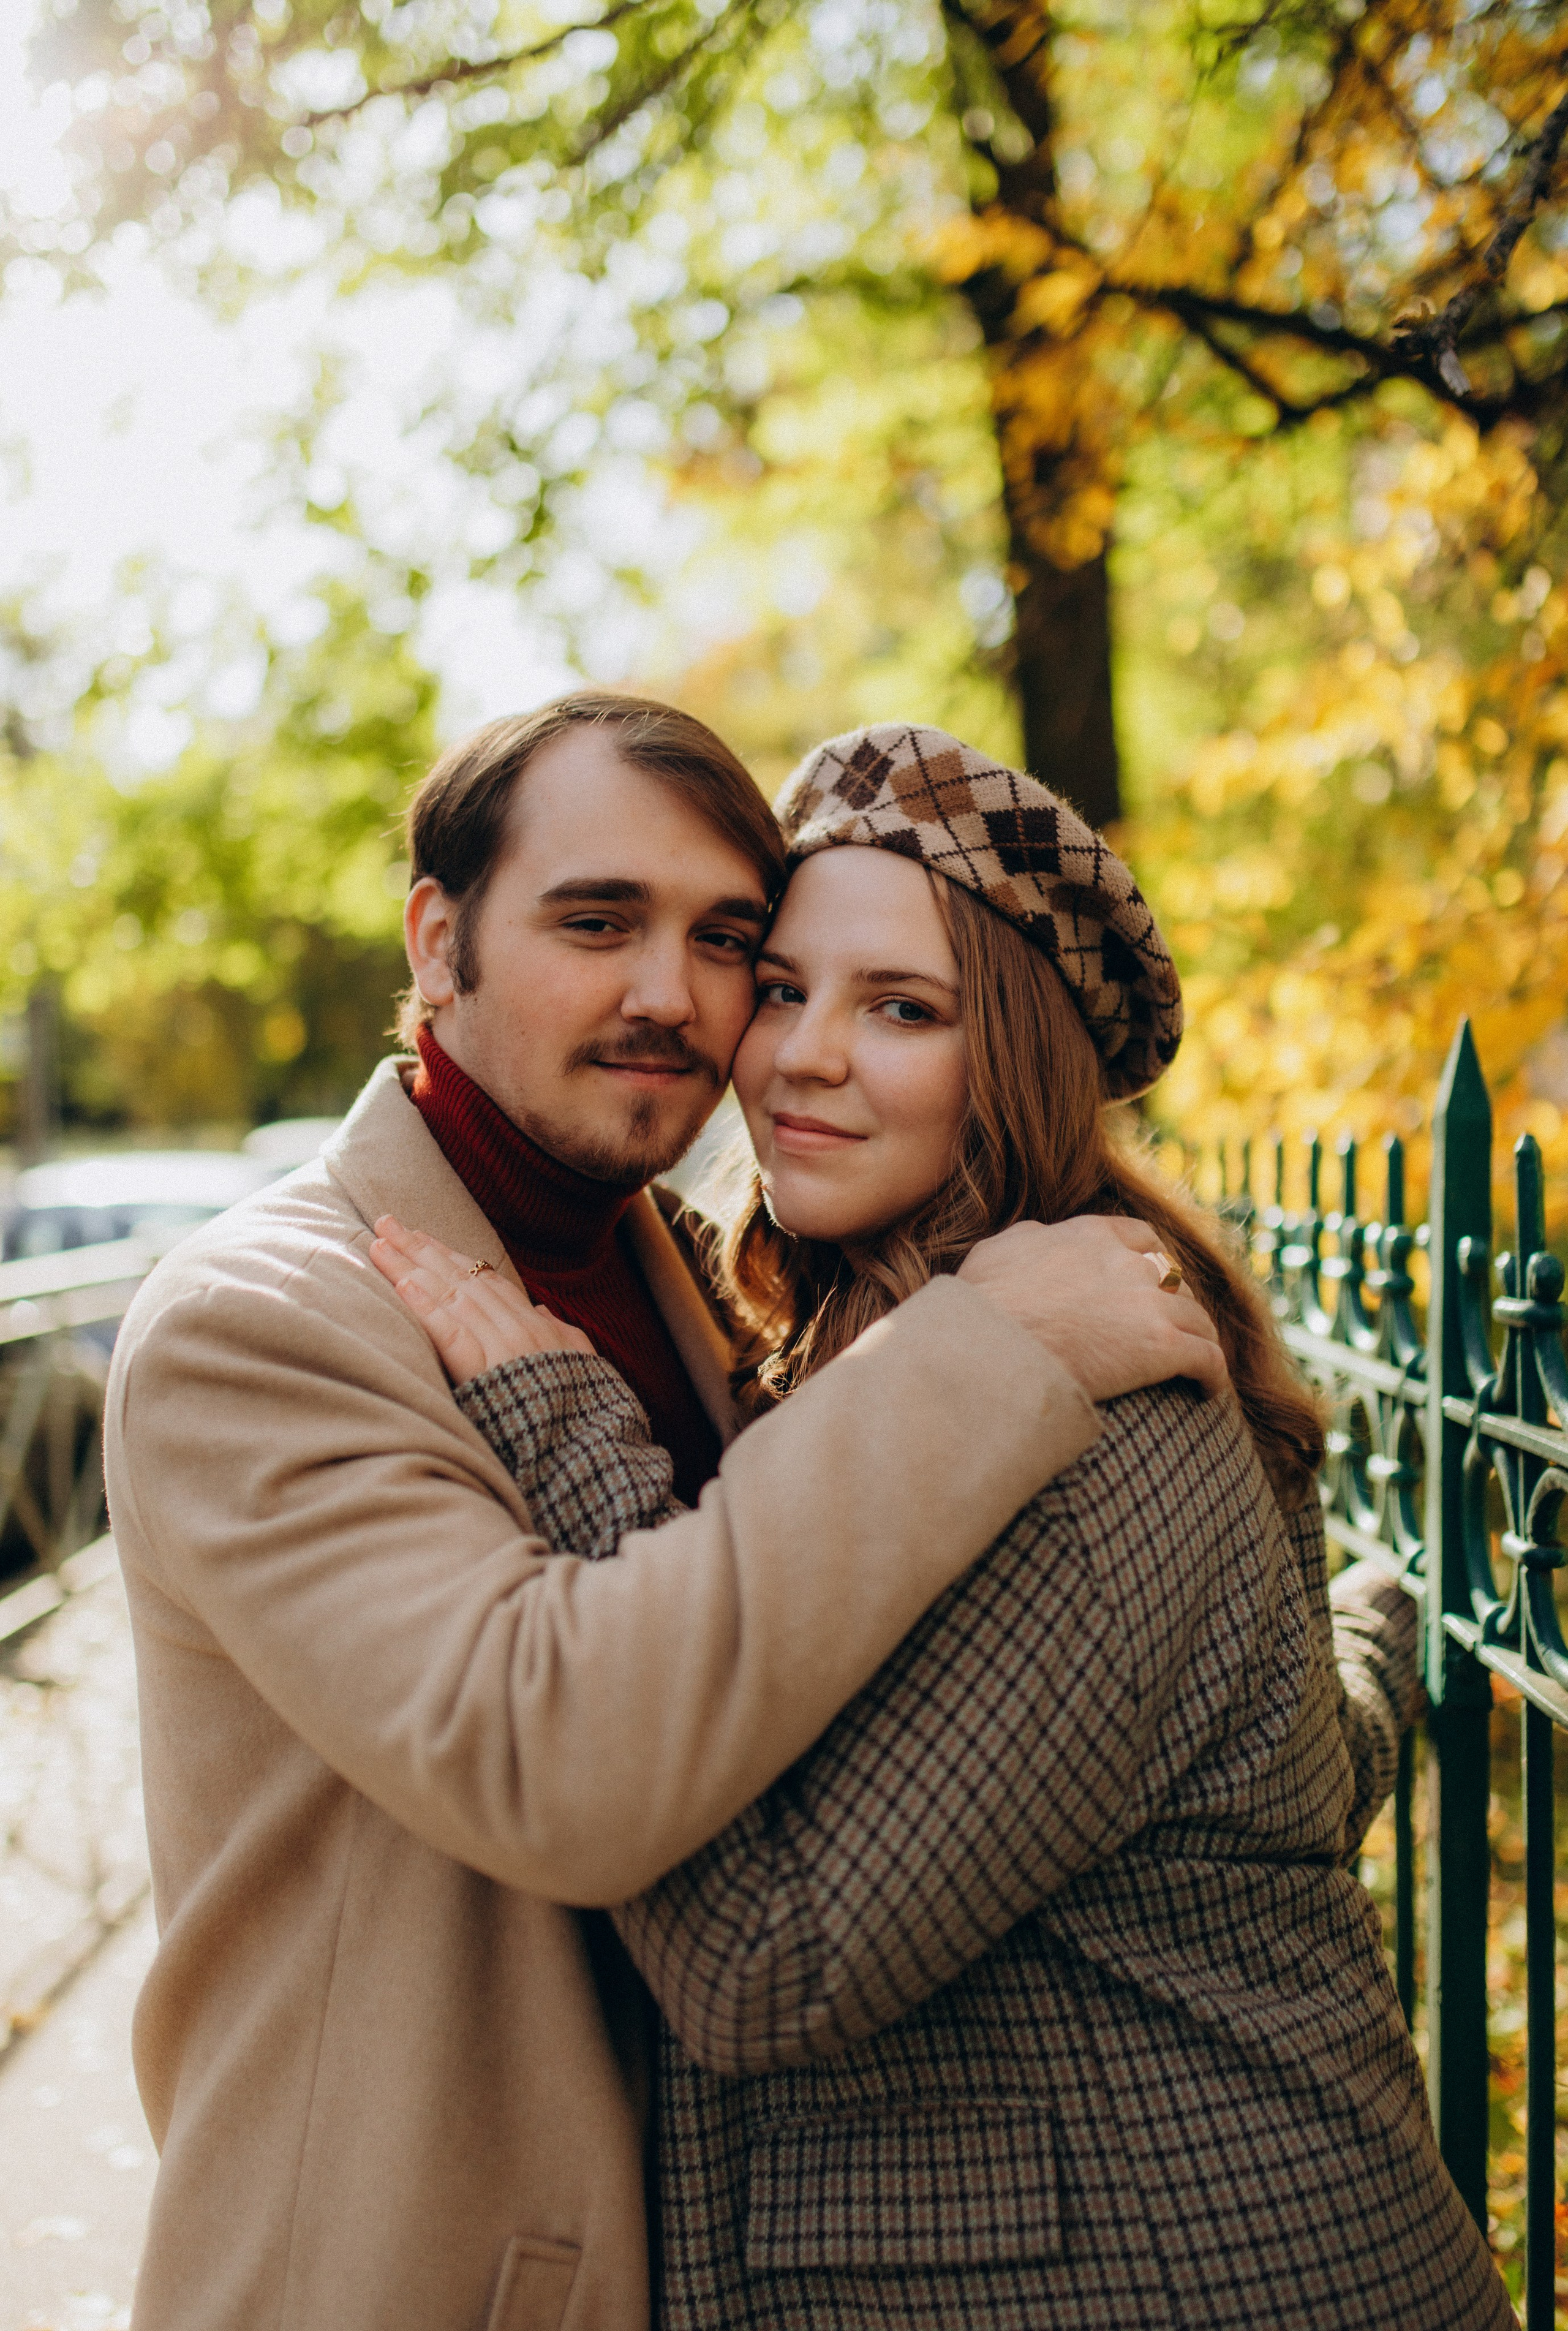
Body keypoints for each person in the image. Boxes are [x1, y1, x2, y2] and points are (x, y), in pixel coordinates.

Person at [103, 693, 1232, 2331]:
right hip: (407, 2275)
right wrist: (994, 1351)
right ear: (441, 939)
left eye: (725, 941)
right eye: (595, 921)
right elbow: (551, 1749)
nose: (669, 996)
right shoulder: (265, 1323)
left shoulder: (690, 1279)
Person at [375, 723, 1496, 2330]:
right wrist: (1358, 1658)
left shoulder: (1108, 1429)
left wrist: (572, 1436)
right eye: (782, 986)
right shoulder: (871, 1347)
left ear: (1015, 1063)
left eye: (902, 1009)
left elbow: (768, 1957)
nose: (799, 1055)